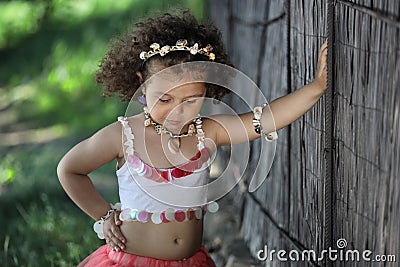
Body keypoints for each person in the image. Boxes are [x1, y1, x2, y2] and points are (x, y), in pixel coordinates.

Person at [57, 9, 327, 267]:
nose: (177, 110)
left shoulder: (206, 132)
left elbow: (266, 120)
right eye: (165, 99)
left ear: (207, 91)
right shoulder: (124, 135)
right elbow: (69, 169)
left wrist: (316, 87)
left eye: (191, 99)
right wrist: (103, 215)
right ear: (142, 82)